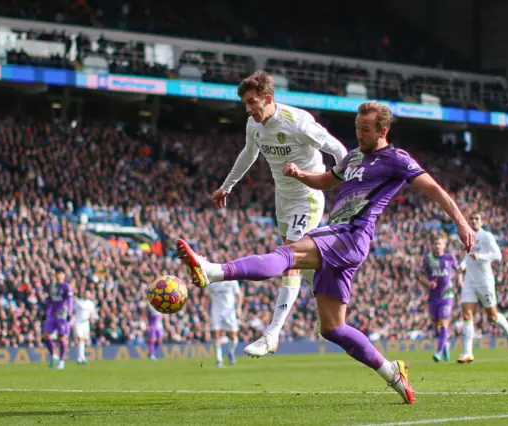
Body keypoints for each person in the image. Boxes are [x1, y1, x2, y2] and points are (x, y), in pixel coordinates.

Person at [178, 101, 476, 404]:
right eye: (357, 127)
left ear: (383, 130)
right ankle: (392, 373)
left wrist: (462, 224)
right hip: (339, 239)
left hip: (351, 235)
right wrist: (299, 174)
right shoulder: (354, 157)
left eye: (366, 129)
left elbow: (435, 189)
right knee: (333, 328)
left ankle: (213, 271)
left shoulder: (397, 159)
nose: (358, 134)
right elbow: (327, 180)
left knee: (289, 255)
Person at [211, 70, 347, 357]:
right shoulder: (253, 125)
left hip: (307, 197)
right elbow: (248, 154)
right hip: (282, 200)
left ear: (268, 98)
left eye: (252, 102)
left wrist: (340, 186)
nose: (248, 110)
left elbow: (338, 150)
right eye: (245, 104)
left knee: (290, 261)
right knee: (303, 265)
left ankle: (272, 333)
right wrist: (227, 187)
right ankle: (331, 283)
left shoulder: (298, 122)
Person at [457, 212, 508, 363]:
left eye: (476, 219)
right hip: (470, 281)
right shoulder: (466, 236)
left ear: (481, 221)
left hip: (485, 282)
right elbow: (467, 256)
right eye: (471, 219)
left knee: (493, 316)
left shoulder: (487, 236)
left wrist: (481, 257)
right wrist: (462, 266)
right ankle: (467, 352)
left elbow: (498, 255)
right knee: (466, 315)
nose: (473, 221)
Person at [419, 234, 460, 362]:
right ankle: (445, 344)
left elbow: (458, 270)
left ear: (444, 245)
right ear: (432, 245)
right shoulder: (428, 259)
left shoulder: (449, 258)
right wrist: (428, 283)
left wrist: (460, 280)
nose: (437, 246)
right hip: (433, 296)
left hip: (447, 295)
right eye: (435, 243)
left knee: (444, 323)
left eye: (440, 243)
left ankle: (438, 352)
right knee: (437, 326)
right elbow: (421, 276)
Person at [203, 280, 243, 367]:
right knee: (216, 334)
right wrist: (205, 310)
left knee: (233, 335)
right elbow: (207, 296)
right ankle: (218, 359)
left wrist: (239, 308)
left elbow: (239, 295)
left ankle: (231, 352)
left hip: (229, 311)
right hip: (216, 311)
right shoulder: (213, 282)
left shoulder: (232, 281)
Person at [43, 267, 74, 370]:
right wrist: (46, 312)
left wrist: (69, 313)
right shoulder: (53, 286)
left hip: (62, 315)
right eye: (57, 273)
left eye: (61, 273)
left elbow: (69, 301)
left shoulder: (66, 287)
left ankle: (62, 361)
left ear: (64, 275)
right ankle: (53, 355)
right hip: (52, 314)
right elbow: (50, 300)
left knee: (62, 338)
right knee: (46, 336)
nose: (59, 275)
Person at [72, 289, 96, 364]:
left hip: (86, 323)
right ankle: (80, 357)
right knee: (80, 339)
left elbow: (91, 313)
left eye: (88, 294)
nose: (87, 295)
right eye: (86, 293)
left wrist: (92, 321)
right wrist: (71, 322)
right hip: (78, 322)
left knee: (84, 340)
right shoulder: (78, 302)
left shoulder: (91, 304)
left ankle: (82, 357)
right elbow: (73, 312)